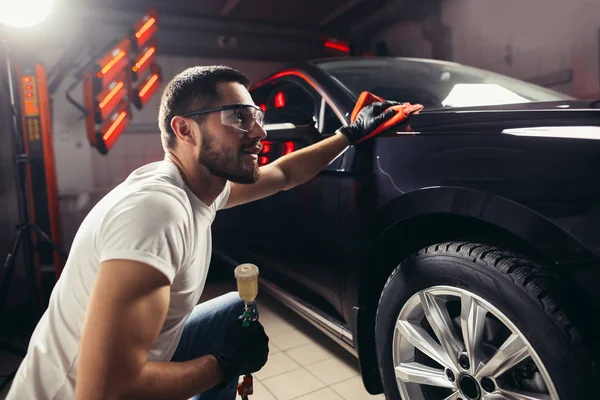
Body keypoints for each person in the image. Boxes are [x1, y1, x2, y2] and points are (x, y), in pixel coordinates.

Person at [6, 65, 400, 400]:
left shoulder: (202, 187)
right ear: (185, 130)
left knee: (231, 313)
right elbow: (105, 389)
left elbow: (283, 173)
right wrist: (221, 365)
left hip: (124, 373)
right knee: (226, 344)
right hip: (83, 393)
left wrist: (349, 133)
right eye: (238, 118)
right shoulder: (155, 212)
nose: (259, 133)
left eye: (256, 117)